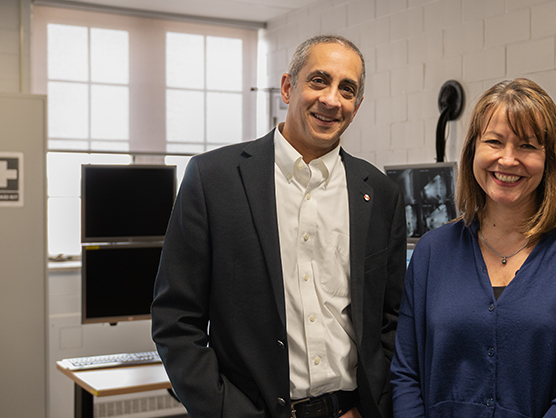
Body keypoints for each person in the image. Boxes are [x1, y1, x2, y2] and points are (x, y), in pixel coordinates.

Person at [152, 34, 407, 418]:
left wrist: (372, 405)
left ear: (356, 106)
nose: (331, 99)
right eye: (319, 80)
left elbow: (392, 318)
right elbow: (176, 319)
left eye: (347, 89)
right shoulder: (213, 180)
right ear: (288, 87)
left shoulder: (381, 194)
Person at [390, 78, 556, 418]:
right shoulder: (432, 252)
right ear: (473, 151)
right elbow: (405, 375)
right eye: (494, 142)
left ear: (550, 159)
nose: (508, 159)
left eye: (527, 146)